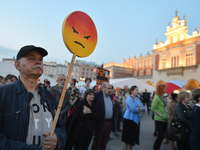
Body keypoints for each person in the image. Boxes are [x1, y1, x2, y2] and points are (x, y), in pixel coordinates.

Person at [0, 45, 66, 149]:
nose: (38, 62)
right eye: (31, 58)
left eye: (40, 59)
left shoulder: (50, 97)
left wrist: (57, 138)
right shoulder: (3, 94)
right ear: (18, 65)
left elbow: (61, 127)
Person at [91, 82, 115, 150]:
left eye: (111, 88)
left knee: (105, 141)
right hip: (100, 122)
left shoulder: (110, 96)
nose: (110, 90)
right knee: (97, 141)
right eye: (108, 88)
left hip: (109, 122)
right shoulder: (97, 95)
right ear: (103, 88)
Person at [122, 85, 145, 150]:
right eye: (136, 90)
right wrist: (139, 109)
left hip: (136, 120)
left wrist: (138, 108)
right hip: (129, 120)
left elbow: (143, 108)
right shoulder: (129, 98)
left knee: (132, 138)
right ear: (132, 91)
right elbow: (133, 109)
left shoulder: (138, 98)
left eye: (138, 90)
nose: (138, 91)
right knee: (126, 138)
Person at [151, 84, 169, 150]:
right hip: (159, 119)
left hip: (165, 118)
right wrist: (160, 114)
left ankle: (157, 147)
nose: (166, 90)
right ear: (161, 89)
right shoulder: (156, 97)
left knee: (162, 135)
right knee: (161, 135)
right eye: (165, 89)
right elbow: (153, 108)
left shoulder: (163, 97)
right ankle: (156, 147)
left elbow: (164, 107)